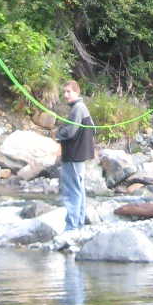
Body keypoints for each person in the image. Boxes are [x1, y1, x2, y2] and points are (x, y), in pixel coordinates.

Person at [55, 79, 95, 230]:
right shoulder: (82, 107)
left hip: (73, 156)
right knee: (79, 189)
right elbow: (92, 129)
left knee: (72, 191)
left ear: (77, 92)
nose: (65, 95)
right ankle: (79, 224)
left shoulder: (77, 108)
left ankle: (71, 227)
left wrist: (58, 134)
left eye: (68, 92)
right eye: (64, 92)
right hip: (79, 156)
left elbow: (71, 131)